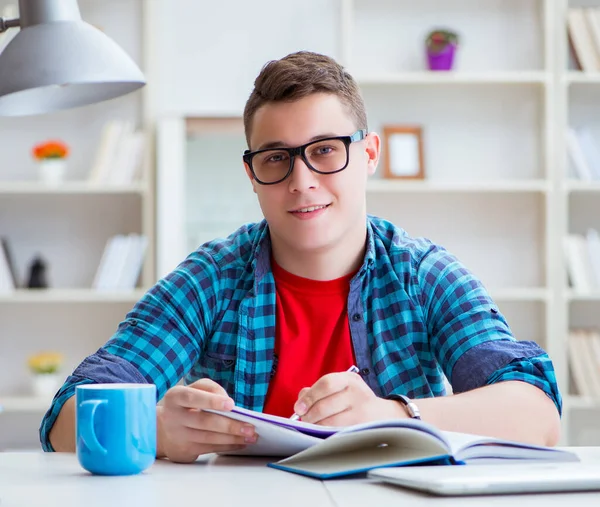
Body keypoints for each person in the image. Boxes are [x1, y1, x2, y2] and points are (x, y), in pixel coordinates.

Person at [42, 51, 561, 463]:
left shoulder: (424, 275)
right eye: (276, 159)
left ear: (369, 154)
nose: (302, 181)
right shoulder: (211, 278)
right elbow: (67, 416)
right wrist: (152, 428)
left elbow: (537, 414)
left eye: (326, 149)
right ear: (252, 175)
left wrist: (391, 414)